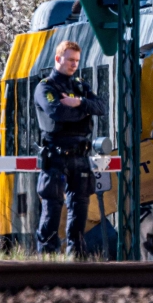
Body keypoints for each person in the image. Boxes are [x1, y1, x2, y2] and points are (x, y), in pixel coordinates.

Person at [34, 40, 108, 257]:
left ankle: (77, 258)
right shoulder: (45, 87)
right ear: (58, 59)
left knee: (80, 211)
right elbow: (57, 112)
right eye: (70, 60)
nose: (74, 64)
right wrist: (85, 109)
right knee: (52, 210)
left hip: (80, 156)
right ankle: (47, 258)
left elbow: (101, 107)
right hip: (56, 156)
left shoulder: (80, 86)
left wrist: (78, 103)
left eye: (77, 60)